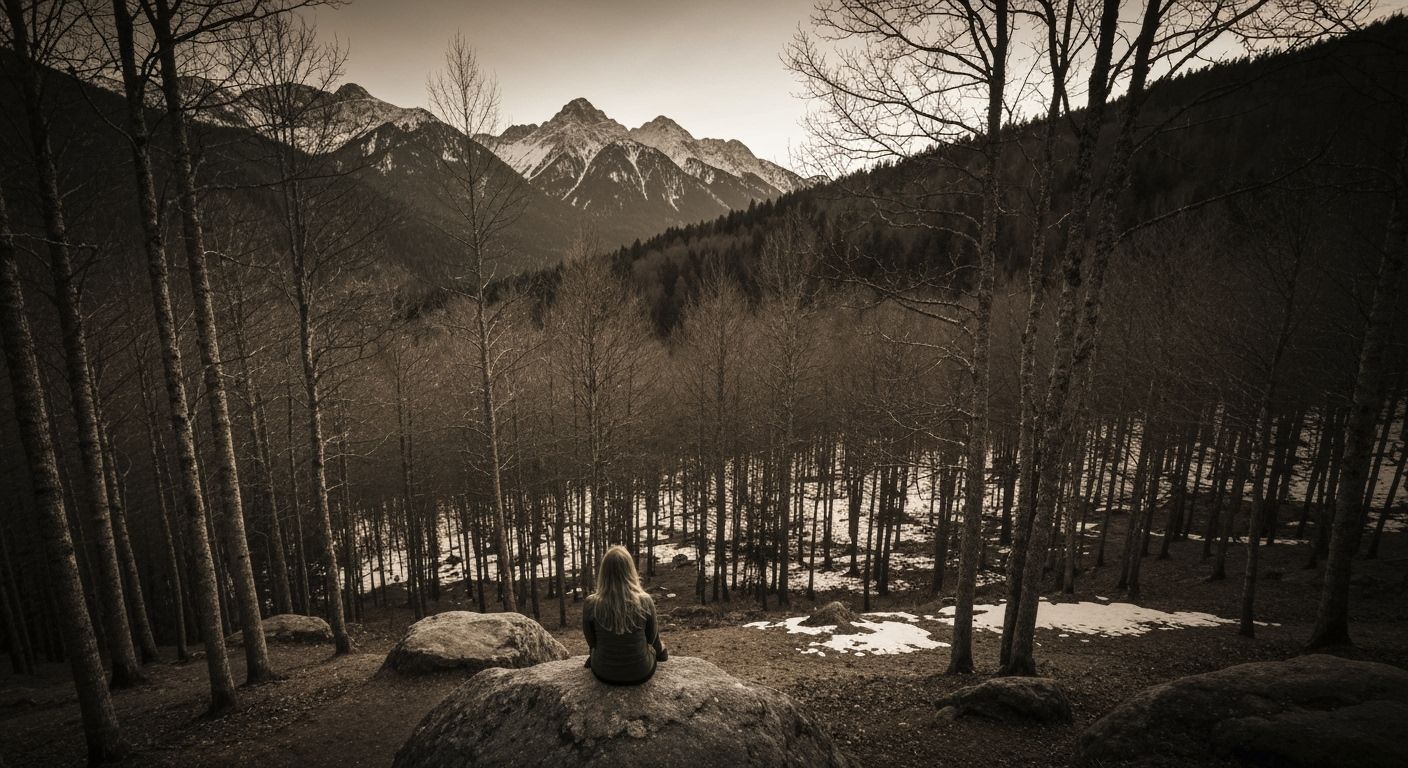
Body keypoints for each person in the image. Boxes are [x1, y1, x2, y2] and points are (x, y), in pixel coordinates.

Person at [583, 545, 668, 685]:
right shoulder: (645, 600)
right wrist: (659, 651)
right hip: (641, 672)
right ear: (630, 570)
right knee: (658, 650)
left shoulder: (591, 603)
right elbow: (651, 638)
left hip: (603, 672)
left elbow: (592, 642)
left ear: (604, 572)